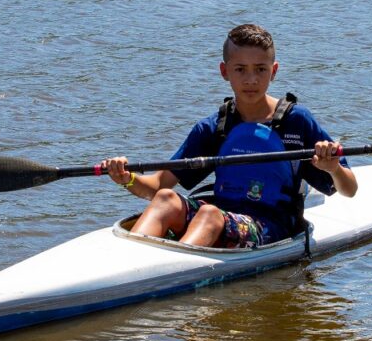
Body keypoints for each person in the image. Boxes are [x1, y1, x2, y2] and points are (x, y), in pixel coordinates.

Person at [102, 23, 357, 249]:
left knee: (209, 215)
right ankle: (132, 262)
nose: (251, 79)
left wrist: (333, 168)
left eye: (260, 69)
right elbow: (158, 185)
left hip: (273, 226)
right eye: (240, 69)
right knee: (166, 199)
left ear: (274, 71)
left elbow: (349, 189)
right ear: (225, 71)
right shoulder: (214, 127)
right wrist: (126, 178)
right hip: (220, 218)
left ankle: (171, 268)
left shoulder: (296, 121)